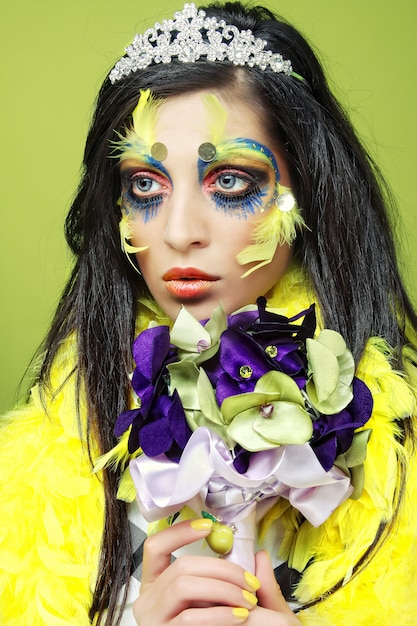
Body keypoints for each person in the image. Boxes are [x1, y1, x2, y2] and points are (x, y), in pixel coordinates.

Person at [1, 2, 416, 625]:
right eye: (145, 185)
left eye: (228, 181)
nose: (178, 231)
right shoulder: (36, 469)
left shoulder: (399, 444)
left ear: (308, 187)